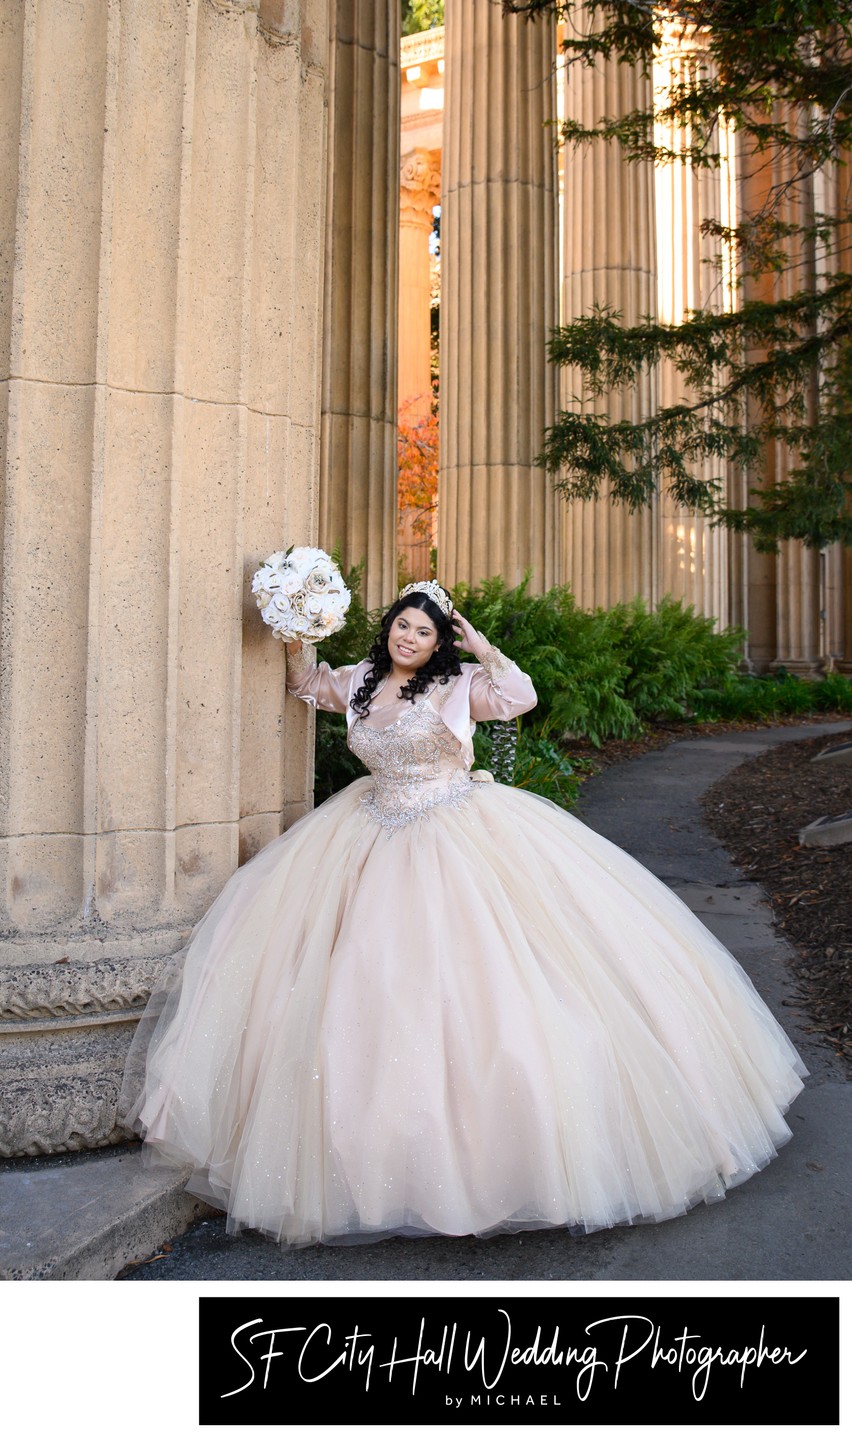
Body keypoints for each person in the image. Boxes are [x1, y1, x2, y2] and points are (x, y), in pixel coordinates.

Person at [121, 579, 806, 1246]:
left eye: (424, 630)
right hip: (367, 829)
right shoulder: (359, 678)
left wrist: (478, 642)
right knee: (363, 981)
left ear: (438, 640)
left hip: (455, 831)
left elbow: (519, 696)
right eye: (402, 625)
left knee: (478, 983)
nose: (410, 638)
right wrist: (298, 631)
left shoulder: (459, 687)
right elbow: (306, 686)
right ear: (387, 627)